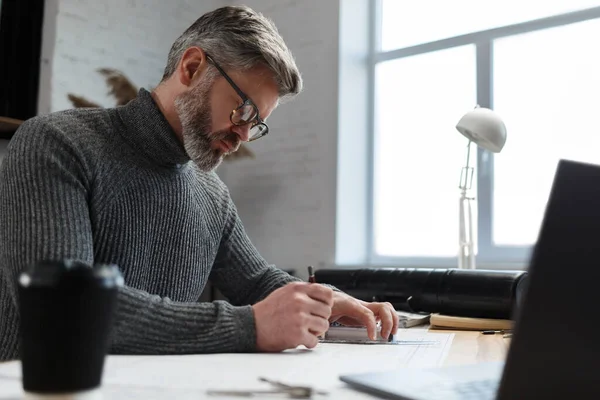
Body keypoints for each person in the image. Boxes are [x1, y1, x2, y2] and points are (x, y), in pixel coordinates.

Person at [0, 5, 398, 361]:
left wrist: (329, 301)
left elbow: (258, 281)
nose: (243, 135)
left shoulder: (211, 194)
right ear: (192, 68)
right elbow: (57, 307)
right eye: (243, 110)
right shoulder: (57, 144)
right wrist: (251, 327)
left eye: (256, 124)